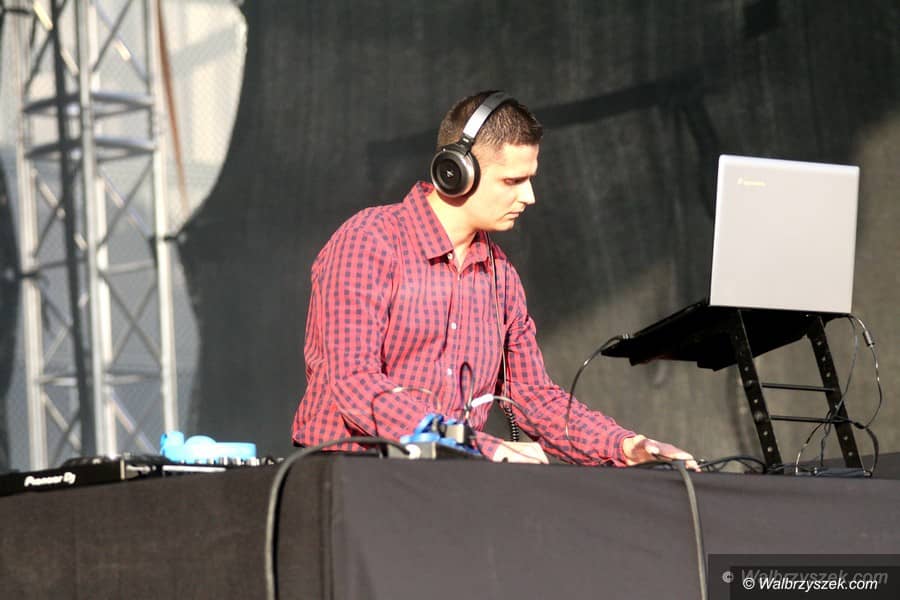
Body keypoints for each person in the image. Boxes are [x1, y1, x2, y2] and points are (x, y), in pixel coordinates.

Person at [292, 91, 696, 467]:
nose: (529, 197)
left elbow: (533, 397)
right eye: (512, 181)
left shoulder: (500, 275)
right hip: (351, 478)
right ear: (455, 172)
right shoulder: (369, 242)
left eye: (530, 179)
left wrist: (624, 445)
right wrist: (478, 445)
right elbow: (357, 384)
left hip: (450, 485)